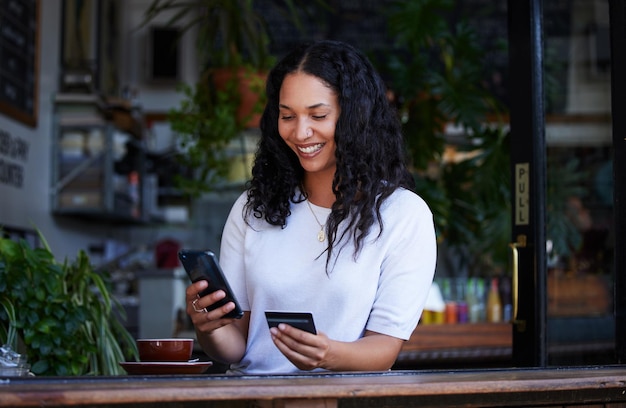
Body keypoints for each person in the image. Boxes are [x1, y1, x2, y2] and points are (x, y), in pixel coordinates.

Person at [186, 40, 437, 375]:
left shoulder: (403, 215)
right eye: (287, 116)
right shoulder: (253, 208)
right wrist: (210, 327)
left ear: (355, 118)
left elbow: (384, 349)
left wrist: (328, 355)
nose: (301, 132)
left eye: (318, 115)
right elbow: (237, 347)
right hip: (254, 398)